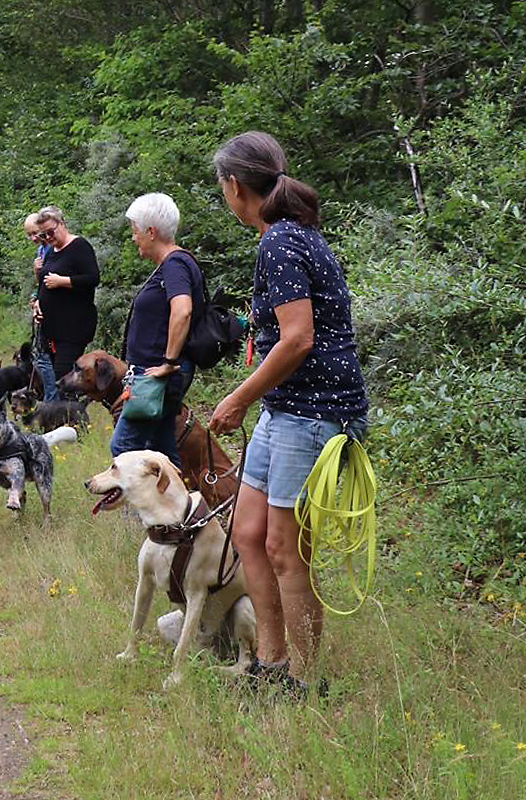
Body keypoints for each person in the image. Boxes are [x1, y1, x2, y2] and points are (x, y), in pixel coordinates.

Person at [208, 131, 368, 695]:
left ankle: (304, 679)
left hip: (314, 412)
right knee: (248, 531)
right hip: (285, 408)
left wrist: (236, 399)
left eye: (221, 185)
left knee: (283, 547)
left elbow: (298, 339)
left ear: (234, 186)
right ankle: (270, 666)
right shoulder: (288, 236)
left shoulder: (280, 243)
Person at [110, 193, 203, 466]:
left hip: (157, 376)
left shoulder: (175, 264)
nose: (133, 237)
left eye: (135, 230)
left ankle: (143, 508)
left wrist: (168, 362)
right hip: (157, 374)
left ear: (151, 232)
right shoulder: (176, 263)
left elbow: (183, 310)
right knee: (161, 448)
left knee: (124, 446)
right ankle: (180, 508)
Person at [33, 205, 99, 388]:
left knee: (65, 381)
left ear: (62, 223)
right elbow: (44, 283)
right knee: (58, 379)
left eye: (50, 232)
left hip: (73, 328)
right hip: (53, 331)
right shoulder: (51, 252)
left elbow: (93, 278)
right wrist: (38, 303)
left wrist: (63, 281)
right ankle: (67, 414)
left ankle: (71, 415)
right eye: (43, 235)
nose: (48, 238)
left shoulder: (80, 246)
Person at [24, 212, 57, 400]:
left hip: (52, 312)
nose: (33, 238)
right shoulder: (41, 251)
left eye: (35, 233)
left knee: (44, 358)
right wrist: (35, 297)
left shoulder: (53, 249)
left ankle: (51, 399)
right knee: (41, 357)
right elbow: (41, 282)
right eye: (29, 235)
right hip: (41, 305)